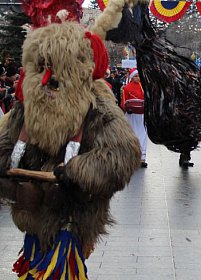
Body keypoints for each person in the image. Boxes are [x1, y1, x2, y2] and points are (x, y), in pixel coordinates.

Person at [0, 2, 141, 278]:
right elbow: (4, 146)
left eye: (58, 69)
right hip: (33, 219)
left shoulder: (95, 107)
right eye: (42, 68)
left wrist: (75, 171)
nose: (49, 80)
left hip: (71, 219)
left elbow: (123, 154)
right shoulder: (24, 109)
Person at [121, 68, 148, 168]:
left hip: (141, 116)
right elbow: (123, 102)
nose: (138, 78)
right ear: (132, 77)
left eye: (139, 76)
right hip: (131, 116)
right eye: (136, 76)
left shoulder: (143, 87)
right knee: (132, 135)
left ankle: (142, 159)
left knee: (143, 135)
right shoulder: (126, 88)